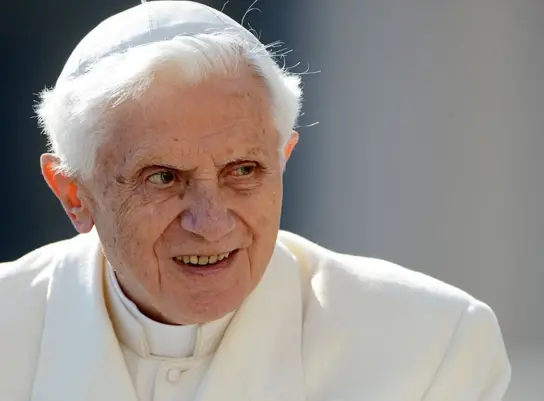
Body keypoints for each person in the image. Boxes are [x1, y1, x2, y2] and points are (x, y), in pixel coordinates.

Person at [0, 1, 511, 400]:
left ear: (284, 156)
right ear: (73, 192)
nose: (210, 222)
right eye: (162, 177)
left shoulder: (428, 345)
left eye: (243, 171)